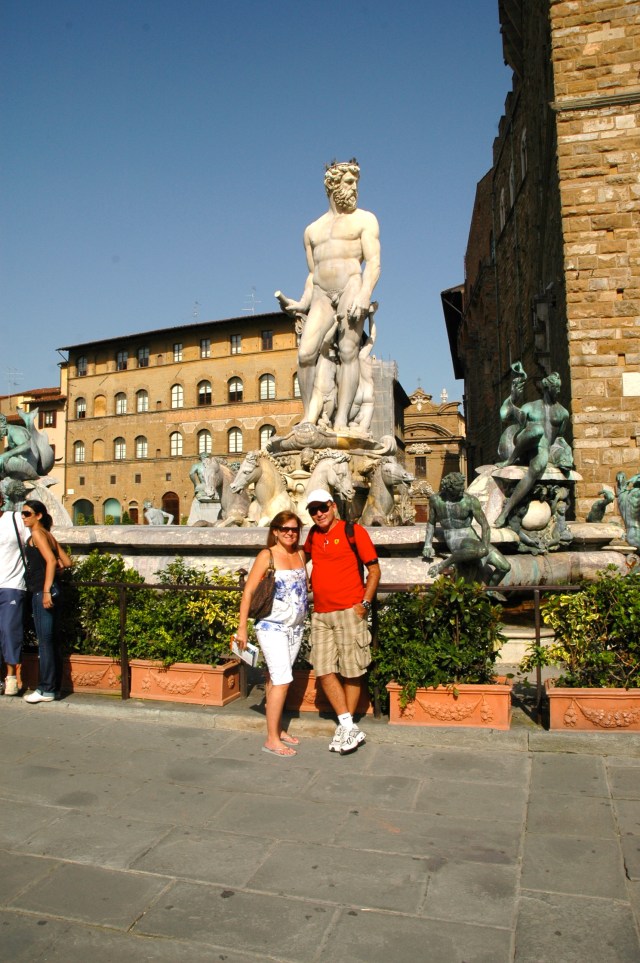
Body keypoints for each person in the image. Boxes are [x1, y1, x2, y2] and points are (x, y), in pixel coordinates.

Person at [276, 159, 381, 430]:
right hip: (322, 294)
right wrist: (300, 303)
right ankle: (310, 415)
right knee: (305, 353)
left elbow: (373, 263)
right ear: (333, 186)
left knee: (348, 351)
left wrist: (364, 294)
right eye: (349, 182)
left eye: (356, 182)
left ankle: (342, 420)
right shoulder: (312, 231)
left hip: (351, 286)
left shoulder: (365, 219)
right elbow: (313, 275)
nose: (355, 187)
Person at [303, 488, 380, 755]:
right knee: (323, 669)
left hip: (350, 610)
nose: (319, 514)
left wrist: (365, 604)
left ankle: (346, 727)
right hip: (321, 613)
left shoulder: (353, 531)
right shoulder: (313, 535)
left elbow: (374, 569)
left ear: (333, 506)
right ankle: (348, 726)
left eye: (322, 508)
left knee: (352, 670)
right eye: (313, 510)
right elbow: (302, 558)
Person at [235, 511, 308, 757]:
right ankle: (271, 740)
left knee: (275, 678)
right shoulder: (266, 555)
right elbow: (248, 592)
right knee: (282, 679)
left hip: (295, 628)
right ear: (275, 531)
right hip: (271, 626)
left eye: (295, 529)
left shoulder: (300, 554)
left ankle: (277, 728)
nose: (290, 532)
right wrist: (241, 627)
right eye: (285, 528)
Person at [495, 365, 573, 527]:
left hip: (544, 448)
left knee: (542, 465)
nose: (558, 391)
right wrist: (513, 396)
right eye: (555, 388)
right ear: (547, 388)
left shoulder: (563, 413)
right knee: (536, 430)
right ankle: (510, 462)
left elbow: (559, 437)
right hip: (525, 445)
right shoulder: (530, 407)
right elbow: (505, 416)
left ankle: (508, 511)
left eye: (559, 388)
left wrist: (566, 451)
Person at [20, 499, 72, 704]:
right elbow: (66, 561)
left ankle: (45, 689)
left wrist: (45, 590)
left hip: (44, 592)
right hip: (55, 590)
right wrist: (52, 576)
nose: (24, 517)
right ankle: (55, 688)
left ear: (38, 516)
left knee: (45, 643)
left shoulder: (37, 534)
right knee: (52, 641)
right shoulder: (48, 535)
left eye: (27, 513)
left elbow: (51, 561)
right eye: (23, 514)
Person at [422, 473, 510, 585]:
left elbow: (485, 525)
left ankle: (490, 591)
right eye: (458, 489)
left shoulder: (470, 500)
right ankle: (443, 564)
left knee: (505, 567)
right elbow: (431, 523)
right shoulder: (436, 500)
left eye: (462, 488)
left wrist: (485, 547)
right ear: (448, 488)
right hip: (455, 538)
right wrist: (428, 545)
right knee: (481, 551)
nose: (462, 491)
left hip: (474, 539)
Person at [0, 488, 28, 695]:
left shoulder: (15, 519)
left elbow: (35, 535)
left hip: (12, 583)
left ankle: (11, 676)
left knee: (10, 630)